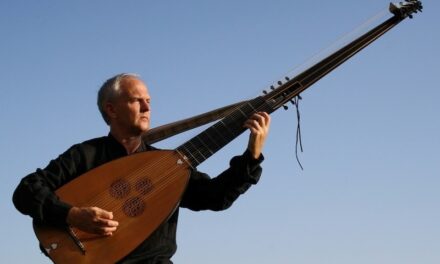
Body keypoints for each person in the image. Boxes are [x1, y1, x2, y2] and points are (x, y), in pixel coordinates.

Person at [12, 73, 271, 263]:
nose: (147, 107)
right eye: (137, 100)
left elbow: (216, 197)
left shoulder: (169, 165)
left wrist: (251, 155)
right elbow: (26, 191)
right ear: (111, 109)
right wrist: (72, 215)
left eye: (149, 100)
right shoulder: (85, 155)